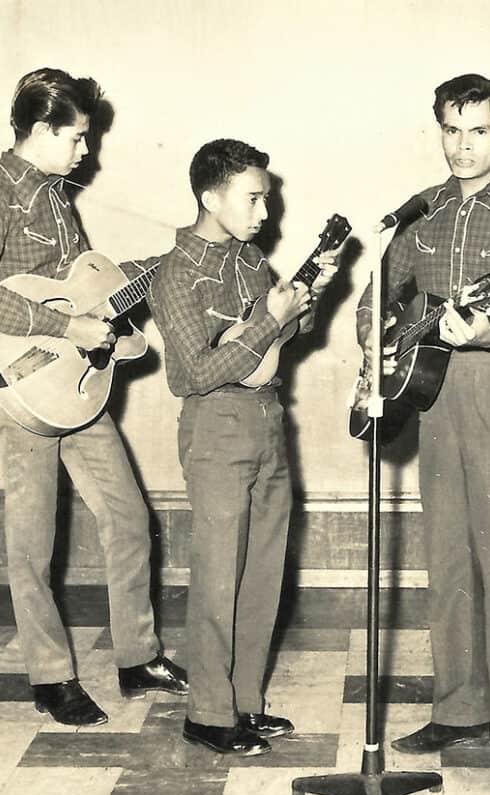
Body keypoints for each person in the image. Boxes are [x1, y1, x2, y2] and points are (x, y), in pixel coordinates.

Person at [0, 67, 187, 727]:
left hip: (76, 389)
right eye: (78, 137)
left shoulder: (58, 197)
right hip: (23, 388)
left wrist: (123, 308)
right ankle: (51, 676)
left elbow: (85, 291)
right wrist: (67, 327)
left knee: (129, 517)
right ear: (44, 129)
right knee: (33, 541)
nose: (87, 151)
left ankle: (138, 658)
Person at [356, 73, 490, 789]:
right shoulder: (426, 210)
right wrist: (376, 342)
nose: (462, 144)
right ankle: (459, 705)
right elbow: (376, 292)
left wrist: (489, 329)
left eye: (477, 129)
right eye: (451, 129)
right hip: (429, 396)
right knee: (447, 561)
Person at [147, 138, 338, 756]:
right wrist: (267, 320)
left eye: (267, 199)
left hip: (267, 418)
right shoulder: (174, 271)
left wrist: (311, 297)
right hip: (216, 425)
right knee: (219, 574)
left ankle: (243, 703)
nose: (264, 213)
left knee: (262, 572)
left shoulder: (252, 261)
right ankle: (207, 711)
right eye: (253, 199)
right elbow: (191, 374)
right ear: (210, 196)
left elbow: (283, 338)